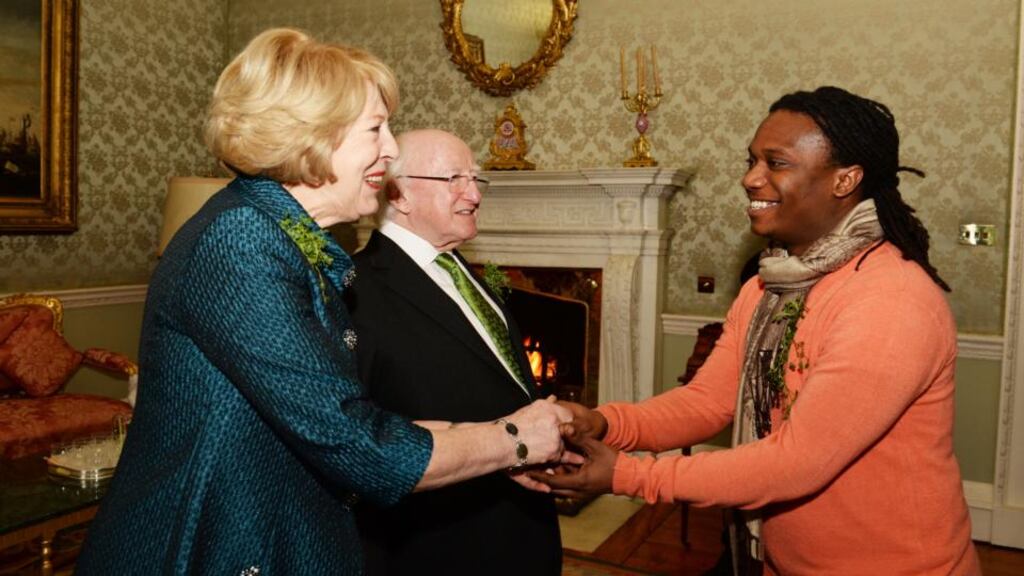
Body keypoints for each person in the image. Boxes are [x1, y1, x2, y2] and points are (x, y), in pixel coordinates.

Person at [75, 29, 573, 576]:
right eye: (376, 129)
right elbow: (358, 443)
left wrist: (498, 440)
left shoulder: (287, 237)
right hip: (209, 545)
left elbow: (354, 417)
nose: (390, 150)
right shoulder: (241, 238)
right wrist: (513, 443)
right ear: (311, 136)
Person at [534, 86, 980, 575]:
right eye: (751, 161)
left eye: (776, 163)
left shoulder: (891, 300)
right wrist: (604, 423)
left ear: (845, 180)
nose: (751, 179)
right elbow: (708, 401)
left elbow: (797, 461)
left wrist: (629, 474)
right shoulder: (769, 285)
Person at [347, 129, 561, 575]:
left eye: (475, 178)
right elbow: (360, 434)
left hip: (518, 530)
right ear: (398, 193)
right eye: (454, 179)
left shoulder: (464, 271)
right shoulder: (355, 292)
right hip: (439, 545)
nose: (474, 194)